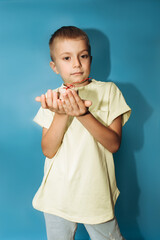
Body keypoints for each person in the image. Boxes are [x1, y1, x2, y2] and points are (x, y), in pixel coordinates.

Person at [33, 26, 131, 240]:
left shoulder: (109, 91)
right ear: (54, 66)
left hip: (94, 192)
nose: (76, 64)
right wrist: (61, 114)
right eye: (66, 58)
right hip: (57, 194)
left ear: (90, 58)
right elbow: (48, 151)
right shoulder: (51, 100)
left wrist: (83, 114)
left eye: (83, 56)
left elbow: (114, 145)